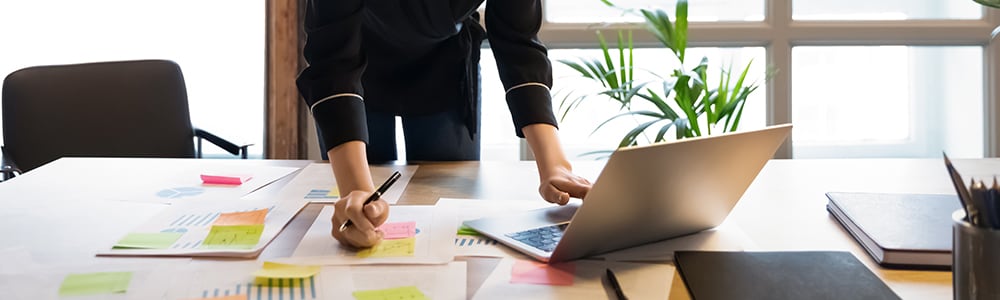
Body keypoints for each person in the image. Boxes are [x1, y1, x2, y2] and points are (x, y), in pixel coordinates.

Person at [296, 0, 592, 248]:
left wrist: (554, 164)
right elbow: (332, 59)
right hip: (355, 66)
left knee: (447, 220)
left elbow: (519, 44)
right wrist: (355, 193)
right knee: (365, 218)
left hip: (446, 66)